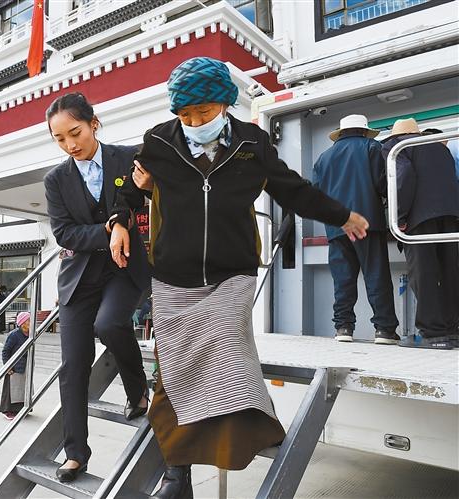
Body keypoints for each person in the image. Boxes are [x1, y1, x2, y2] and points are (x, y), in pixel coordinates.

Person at [109, 57, 370, 498]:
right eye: (185, 114)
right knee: (174, 368)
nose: (195, 122)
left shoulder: (253, 143)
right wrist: (119, 221)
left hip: (233, 272)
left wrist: (342, 215)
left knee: (228, 345)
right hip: (173, 276)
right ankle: (177, 475)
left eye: (204, 112)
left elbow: (293, 190)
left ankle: (247, 434)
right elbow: (129, 187)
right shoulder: (159, 140)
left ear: (226, 104)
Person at [44, 92, 152, 483]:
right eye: (59, 138)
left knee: (109, 325)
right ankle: (76, 453)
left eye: (75, 132)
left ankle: (137, 390)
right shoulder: (56, 180)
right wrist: (107, 230)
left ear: (94, 123)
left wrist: (147, 192)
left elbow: (147, 199)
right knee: (73, 366)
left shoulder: (129, 158)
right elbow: (64, 232)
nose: (70, 144)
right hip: (79, 279)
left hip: (124, 269)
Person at [312, 114, 400, 344]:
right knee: (376, 276)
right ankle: (384, 330)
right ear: (364, 131)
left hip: (336, 228)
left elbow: (315, 195)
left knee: (343, 281)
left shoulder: (324, 157)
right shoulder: (372, 147)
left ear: (341, 133)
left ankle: (343, 328)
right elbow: (384, 184)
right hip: (366, 223)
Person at [381, 118, 459, 349]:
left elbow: (403, 176)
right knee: (450, 272)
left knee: (424, 274)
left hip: (419, 217)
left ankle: (433, 334)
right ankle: (452, 331)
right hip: (450, 215)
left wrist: (399, 216)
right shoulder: (439, 146)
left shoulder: (396, 147)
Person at [0, 312, 31, 420]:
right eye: (29, 320)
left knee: (22, 389)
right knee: (11, 389)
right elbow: (5, 351)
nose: (31, 323)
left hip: (25, 366)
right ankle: (8, 411)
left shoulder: (30, 334)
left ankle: (21, 410)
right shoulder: (14, 335)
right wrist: (7, 367)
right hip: (14, 367)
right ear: (22, 323)